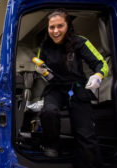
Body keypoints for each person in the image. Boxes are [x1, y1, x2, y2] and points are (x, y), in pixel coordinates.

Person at [36, 8, 108, 168]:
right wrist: (42, 72)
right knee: (49, 112)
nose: (55, 31)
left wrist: (98, 76)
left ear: (68, 25)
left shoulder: (80, 41)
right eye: (51, 27)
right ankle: (52, 146)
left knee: (85, 133)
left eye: (60, 26)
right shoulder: (44, 46)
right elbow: (41, 66)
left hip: (76, 87)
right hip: (55, 88)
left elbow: (100, 63)